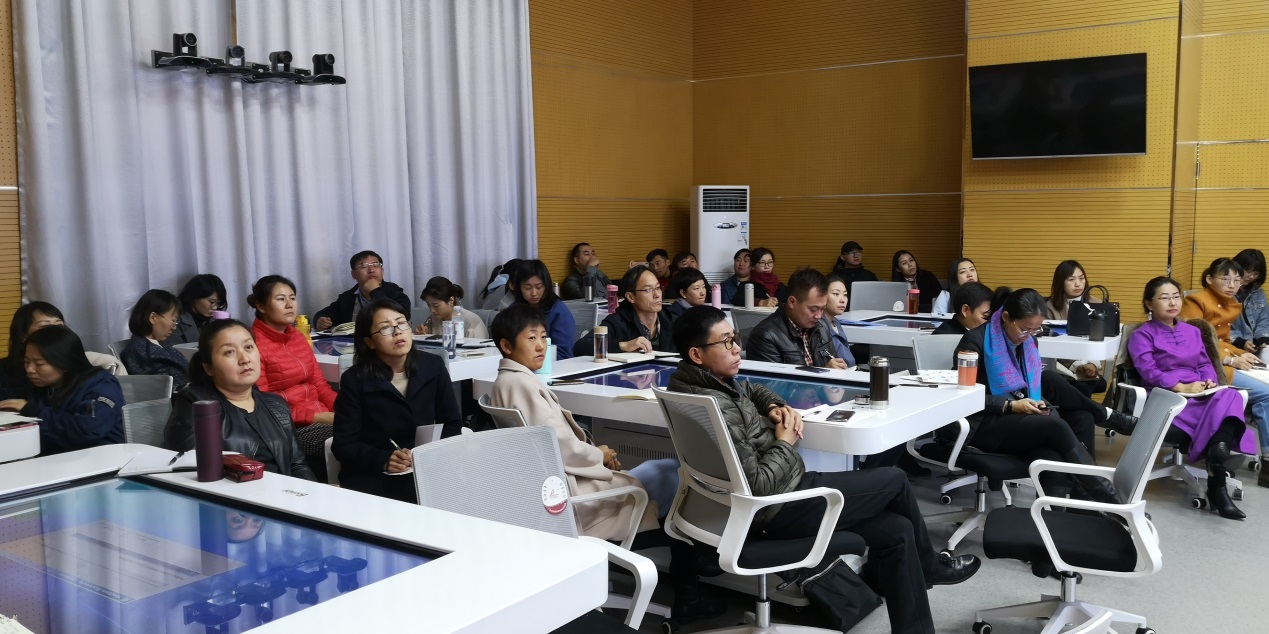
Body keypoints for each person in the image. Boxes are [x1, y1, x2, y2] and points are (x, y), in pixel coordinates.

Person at [668, 306, 980, 634]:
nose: (736, 348)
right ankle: (929, 565)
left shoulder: (697, 385)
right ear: (697, 354)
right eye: (725, 342)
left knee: (898, 530)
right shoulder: (718, 405)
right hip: (773, 508)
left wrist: (775, 406)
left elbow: (751, 389)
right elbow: (758, 486)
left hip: (767, 500)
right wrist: (785, 442)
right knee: (895, 479)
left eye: (734, 338)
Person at [490, 305, 722, 623]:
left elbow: (553, 443)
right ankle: (692, 588)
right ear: (506, 345)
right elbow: (560, 447)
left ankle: (694, 579)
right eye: (531, 338)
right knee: (682, 481)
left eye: (543, 336)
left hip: (563, 491)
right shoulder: (521, 385)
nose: (541, 345)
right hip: (578, 502)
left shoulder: (505, 383)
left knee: (668, 472)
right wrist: (599, 454)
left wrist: (595, 453)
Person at [952, 289, 1118, 501]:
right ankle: (1108, 499)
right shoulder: (974, 342)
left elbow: (1027, 387)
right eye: (1024, 329)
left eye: (1035, 330)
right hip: (984, 422)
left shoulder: (1029, 342)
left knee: (1078, 423)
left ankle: (1076, 505)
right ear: (1006, 317)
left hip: (1018, 416)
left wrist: (1032, 401)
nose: (1028, 336)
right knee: (1055, 426)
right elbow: (963, 398)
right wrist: (1010, 406)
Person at [1129, 277, 1254, 519]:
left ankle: (1218, 453)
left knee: (1230, 395)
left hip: (1200, 390)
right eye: (1164, 298)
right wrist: (1181, 387)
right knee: (1220, 415)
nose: (1172, 302)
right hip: (1168, 395)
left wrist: (1209, 381)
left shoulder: (1193, 331)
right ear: (1149, 304)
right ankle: (1218, 483)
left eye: (1176, 296)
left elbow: (1205, 364)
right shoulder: (1142, 335)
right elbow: (1148, 371)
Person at [334, 299, 463, 503]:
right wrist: (384, 460)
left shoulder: (433, 366)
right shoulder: (355, 380)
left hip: (426, 465)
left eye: (402, 323)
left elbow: (452, 424)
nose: (397, 332)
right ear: (369, 342)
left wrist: (426, 454)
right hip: (375, 475)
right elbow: (343, 445)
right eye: (385, 328)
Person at [163, 319, 316, 480]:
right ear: (209, 368)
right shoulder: (197, 405)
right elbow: (191, 469)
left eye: (248, 347)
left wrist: (311, 491)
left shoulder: (276, 404)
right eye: (229, 352)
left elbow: (298, 465)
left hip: (282, 493)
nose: (244, 359)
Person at [1181, 258, 1269, 480]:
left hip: (1221, 361)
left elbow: (1222, 340)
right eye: (1226, 279)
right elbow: (1196, 343)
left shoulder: (1230, 303)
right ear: (1210, 279)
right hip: (1204, 368)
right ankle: (1267, 460)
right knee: (1267, 394)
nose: (1232, 285)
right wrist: (1230, 360)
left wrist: (1240, 354)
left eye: (1237, 280)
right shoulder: (1196, 301)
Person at [249, 275, 336, 477]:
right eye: (281, 299)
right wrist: (318, 417)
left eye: (293, 298)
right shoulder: (253, 344)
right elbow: (264, 406)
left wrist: (345, 408)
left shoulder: (297, 336)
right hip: (290, 427)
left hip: (323, 416)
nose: (290, 305)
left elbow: (320, 385)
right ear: (261, 306)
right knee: (351, 438)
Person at [0, 326, 124, 455]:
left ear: (64, 362)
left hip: (102, 458)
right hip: (56, 458)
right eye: (26, 362)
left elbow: (89, 428)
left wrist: (35, 412)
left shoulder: (101, 384)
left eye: (39, 364)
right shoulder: (40, 385)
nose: (30, 369)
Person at [0, 302, 125, 393]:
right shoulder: (5, 371)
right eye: (45, 327)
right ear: (23, 335)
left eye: (60, 326)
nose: (55, 332)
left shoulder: (87, 376)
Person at [747, 269, 848, 369]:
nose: (819, 316)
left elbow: (833, 361)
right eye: (813, 309)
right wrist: (825, 373)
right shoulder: (765, 336)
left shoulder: (822, 325)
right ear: (792, 302)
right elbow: (773, 380)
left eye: (823, 309)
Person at [577, 265, 676, 356]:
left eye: (658, 288)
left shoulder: (673, 320)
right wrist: (624, 345)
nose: (657, 295)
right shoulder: (617, 322)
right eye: (648, 290)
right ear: (631, 297)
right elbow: (581, 346)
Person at [1044, 260, 1106, 395]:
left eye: (1081, 278)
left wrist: (1093, 364)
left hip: (1092, 363)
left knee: (1084, 386)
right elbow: (1050, 344)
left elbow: (1104, 338)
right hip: (1063, 367)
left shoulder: (1097, 303)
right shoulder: (1049, 307)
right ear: (1060, 282)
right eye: (1071, 280)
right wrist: (1077, 365)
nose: (1078, 284)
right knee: (1077, 388)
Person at [314, 250, 412, 331]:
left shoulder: (394, 291)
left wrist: (375, 291)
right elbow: (323, 314)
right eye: (363, 266)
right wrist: (320, 321)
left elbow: (401, 316)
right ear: (354, 274)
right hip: (355, 345)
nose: (371, 270)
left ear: (382, 271)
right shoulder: (347, 297)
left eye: (375, 265)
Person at [119, 289, 191, 389]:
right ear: (153, 318)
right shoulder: (140, 353)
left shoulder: (157, 344)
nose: (174, 327)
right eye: (173, 320)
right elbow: (165, 388)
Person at [510, 259, 576, 360]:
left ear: (546, 286)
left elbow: (563, 353)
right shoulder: (514, 309)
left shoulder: (558, 311)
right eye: (527, 288)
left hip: (552, 364)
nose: (534, 293)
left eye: (539, 287)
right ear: (518, 288)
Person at [412, 276, 489, 339]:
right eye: (429, 305)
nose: (432, 310)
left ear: (451, 300)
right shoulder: (433, 319)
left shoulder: (472, 325)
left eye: (436, 305)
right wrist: (422, 334)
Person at [168, 274, 228, 346]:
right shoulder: (176, 320)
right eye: (211, 302)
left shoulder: (214, 320)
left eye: (218, 303)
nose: (215, 307)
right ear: (195, 297)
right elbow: (173, 349)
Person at [1233, 249, 1269, 363]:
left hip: (1254, 347)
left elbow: (1263, 320)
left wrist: (1263, 339)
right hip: (1231, 346)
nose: (1251, 276)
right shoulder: (1225, 292)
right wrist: (1240, 342)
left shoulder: (1258, 292)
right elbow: (1218, 326)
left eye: (1256, 274)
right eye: (1248, 271)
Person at [821, 273, 856, 366]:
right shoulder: (818, 324)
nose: (842, 300)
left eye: (845, 295)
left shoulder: (836, 322)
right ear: (823, 295)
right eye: (836, 294)